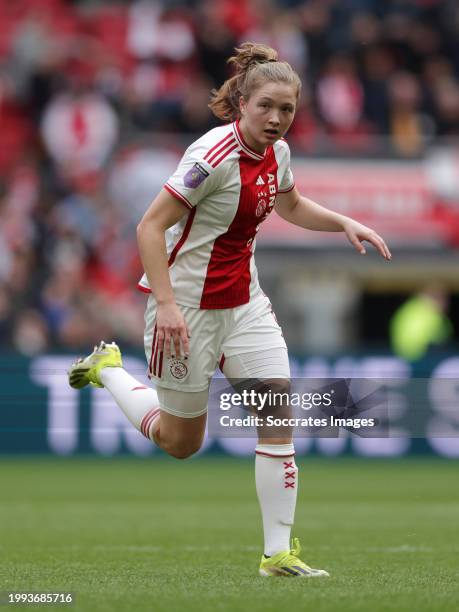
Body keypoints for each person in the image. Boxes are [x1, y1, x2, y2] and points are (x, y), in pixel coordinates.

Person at [68, 43, 391, 577]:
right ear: (242, 102)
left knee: (276, 419)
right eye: (266, 106)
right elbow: (149, 227)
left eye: (286, 109)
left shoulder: (277, 154)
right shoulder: (209, 158)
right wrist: (167, 306)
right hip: (186, 310)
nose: (276, 118)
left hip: (246, 307)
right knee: (180, 443)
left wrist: (344, 222)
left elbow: (288, 204)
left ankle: (277, 554)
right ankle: (108, 370)